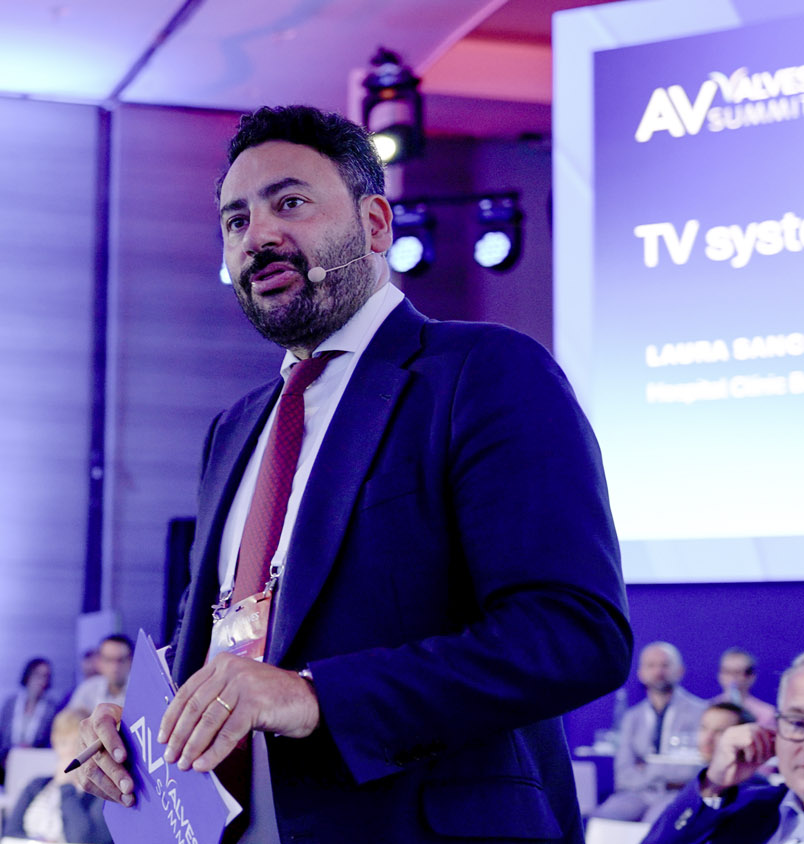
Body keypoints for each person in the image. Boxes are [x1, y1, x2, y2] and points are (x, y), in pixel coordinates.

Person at [71, 105, 631, 843]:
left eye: (289, 203)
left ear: (374, 225)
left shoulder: (483, 372)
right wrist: (148, 725)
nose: (258, 236)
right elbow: (232, 635)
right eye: (236, 221)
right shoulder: (233, 430)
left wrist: (315, 696)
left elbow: (573, 634)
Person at [640, 664, 804, 843]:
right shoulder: (750, 806)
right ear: (775, 732)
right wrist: (712, 784)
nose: (708, 739)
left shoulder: (754, 787)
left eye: (719, 731)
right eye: (799, 723)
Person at [595, 642, 710, 822]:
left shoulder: (702, 712)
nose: (658, 671)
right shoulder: (632, 717)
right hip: (637, 794)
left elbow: (695, 769)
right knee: (602, 819)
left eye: (665, 665)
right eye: (651, 665)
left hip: (679, 794)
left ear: (680, 670)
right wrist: (665, 772)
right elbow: (622, 774)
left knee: (657, 821)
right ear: (640, 673)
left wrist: (647, 767)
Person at [5, 708, 112, 844]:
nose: (69, 751)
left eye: (77, 744)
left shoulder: (99, 792)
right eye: (63, 743)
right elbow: (10, 833)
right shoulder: (37, 785)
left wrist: (66, 787)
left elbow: (82, 840)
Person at [0, 658, 57, 786]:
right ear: (28, 675)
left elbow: (51, 742)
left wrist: (30, 750)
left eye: (46, 676)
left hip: (34, 764)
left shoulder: (51, 708)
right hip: (5, 762)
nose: (42, 681)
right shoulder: (11, 703)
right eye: (38, 675)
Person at [713, 648, 778, 729]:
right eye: (727, 672)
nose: (731, 678)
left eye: (737, 673)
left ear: (751, 677)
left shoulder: (767, 714)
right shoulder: (708, 708)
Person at [66, 636, 132, 713]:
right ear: (100, 661)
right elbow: (69, 717)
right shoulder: (88, 689)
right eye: (108, 659)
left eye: (121, 660)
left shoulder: (140, 691)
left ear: (130, 661)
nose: (115, 667)